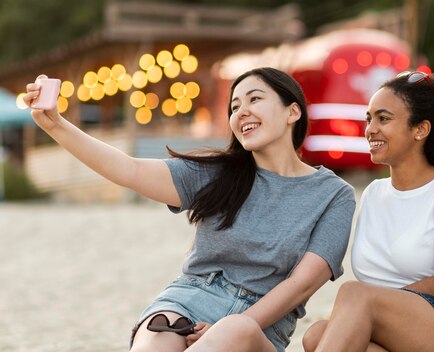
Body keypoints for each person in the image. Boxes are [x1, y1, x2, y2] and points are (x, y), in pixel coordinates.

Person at [24, 67, 356, 352]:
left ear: (292, 112)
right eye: (234, 106)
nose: (240, 112)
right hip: (188, 299)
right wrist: (55, 125)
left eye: (254, 99)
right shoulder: (217, 173)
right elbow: (129, 170)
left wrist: (228, 327)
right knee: (157, 336)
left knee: (234, 331)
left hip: (258, 326)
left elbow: (301, 284)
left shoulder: (333, 195)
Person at [302, 67, 434, 352]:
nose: (370, 129)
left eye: (384, 118)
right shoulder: (373, 194)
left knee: (354, 295)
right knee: (315, 335)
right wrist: (369, 308)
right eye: (368, 119)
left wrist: (373, 302)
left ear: (421, 129)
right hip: (393, 326)